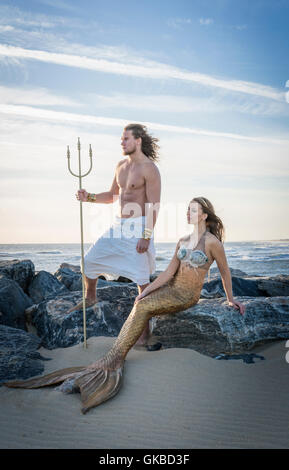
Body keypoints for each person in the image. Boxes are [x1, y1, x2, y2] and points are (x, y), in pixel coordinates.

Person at [6, 197, 246, 414]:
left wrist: (230, 298)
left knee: (143, 308)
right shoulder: (183, 240)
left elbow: (224, 273)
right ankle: (114, 358)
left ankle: (114, 359)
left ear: (204, 215)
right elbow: (167, 273)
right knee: (140, 303)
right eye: (187, 209)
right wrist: (147, 291)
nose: (188, 213)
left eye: (193, 210)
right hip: (170, 289)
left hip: (187, 295)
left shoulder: (212, 242)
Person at [67, 123, 161, 346]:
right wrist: (88, 197)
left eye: (126, 138)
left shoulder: (150, 169)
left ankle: (145, 332)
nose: (122, 142)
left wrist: (146, 236)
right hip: (118, 225)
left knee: (141, 280)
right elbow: (111, 196)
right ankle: (91, 297)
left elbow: (154, 206)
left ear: (137, 141)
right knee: (88, 261)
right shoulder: (120, 165)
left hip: (138, 226)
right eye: (122, 139)